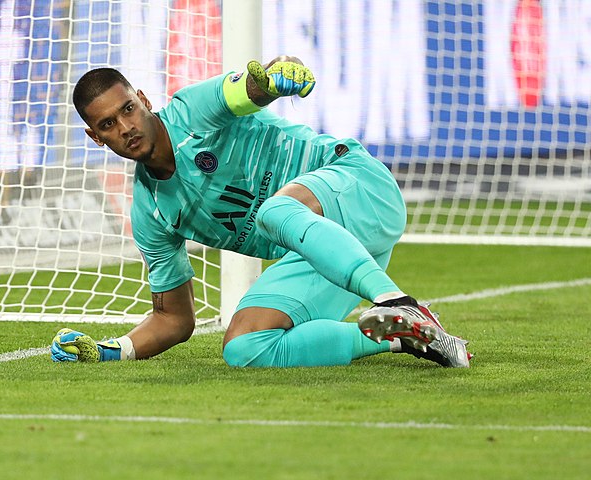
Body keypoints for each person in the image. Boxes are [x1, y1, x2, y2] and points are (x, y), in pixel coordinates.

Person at [51, 56, 471, 368]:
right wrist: (113, 350)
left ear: (142, 100)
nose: (125, 128)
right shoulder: (151, 214)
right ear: (95, 138)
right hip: (328, 252)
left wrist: (273, 78)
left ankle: (400, 303)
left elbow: (247, 89)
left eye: (127, 110)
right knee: (244, 347)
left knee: (274, 210)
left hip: (357, 184)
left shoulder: (190, 111)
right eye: (107, 125)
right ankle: (408, 336)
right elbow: (173, 319)